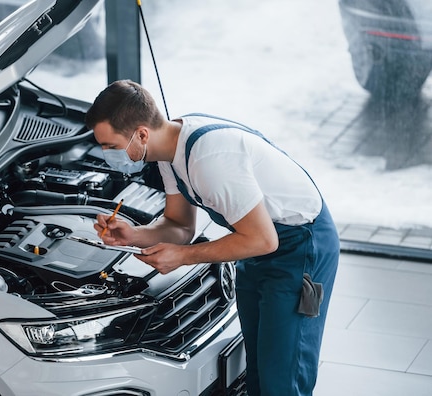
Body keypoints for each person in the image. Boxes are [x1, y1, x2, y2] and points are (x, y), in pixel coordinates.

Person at [85, 79, 340, 396]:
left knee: (284, 375)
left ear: (141, 134)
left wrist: (182, 257)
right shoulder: (168, 150)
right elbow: (180, 225)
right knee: (259, 366)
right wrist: (134, 235)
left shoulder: (208, 159)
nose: (109, 155)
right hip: (254, 242)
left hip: (301, 246)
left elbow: (264, 240)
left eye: (111, 146)